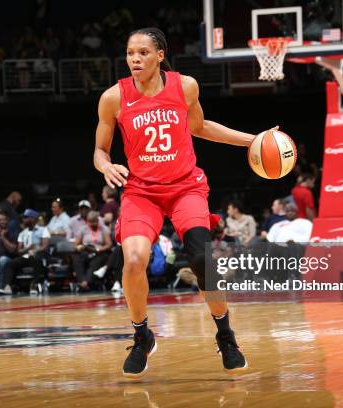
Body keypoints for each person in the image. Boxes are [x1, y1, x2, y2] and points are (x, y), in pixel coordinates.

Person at [93, 27, 277, 378]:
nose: (135, 58)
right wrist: (105, 166)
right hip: (141, 191)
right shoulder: (113, 97)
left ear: (160, 55)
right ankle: (142, 335)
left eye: (143, 52)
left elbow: (201, 126)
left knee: (201, 257)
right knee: (133, 260)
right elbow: (100, 150)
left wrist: (254, 140)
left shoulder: (186, 86)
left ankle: (225, 335)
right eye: (131, 52)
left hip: (184, 188)